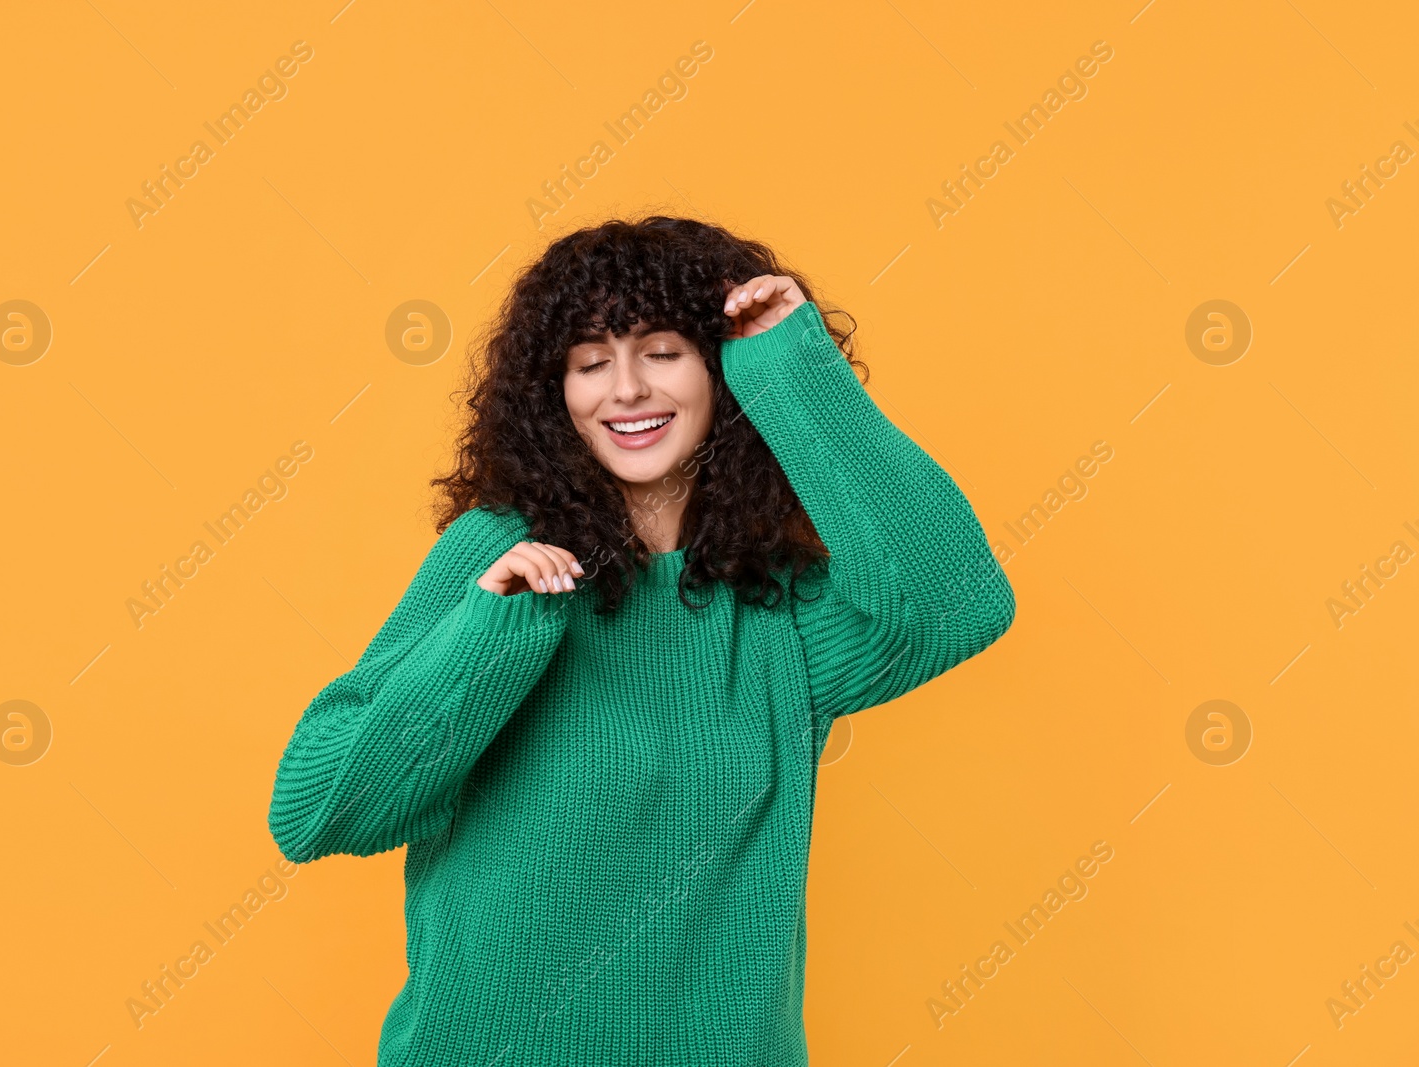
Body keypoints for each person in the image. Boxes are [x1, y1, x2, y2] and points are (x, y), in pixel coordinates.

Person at [268, 215, 1016, 1063]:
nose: (624, 389)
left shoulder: (773, 606)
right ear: (556, 396)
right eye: (590, 362)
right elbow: (319, 809)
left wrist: (790, 370)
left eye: (661, 351)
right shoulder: (498, 559)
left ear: (718, 368)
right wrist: (488, 637)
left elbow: (958, 603)